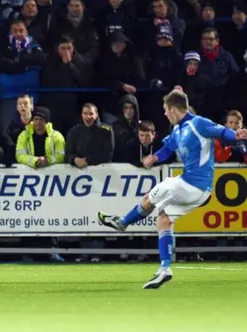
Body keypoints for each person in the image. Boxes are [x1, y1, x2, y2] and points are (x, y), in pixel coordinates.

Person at [98, 88, 247, 289]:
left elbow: (221, 132)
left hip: (193, 183)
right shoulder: (176, 131)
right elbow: (168, 148)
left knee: (151, 196)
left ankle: (123, 222)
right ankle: (165, 268)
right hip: (196, 190)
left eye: (166, 110)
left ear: (174, 109)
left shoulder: (198, 123)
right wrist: (154, 157)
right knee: (164, 219)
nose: (165, 114)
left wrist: (236, 134)